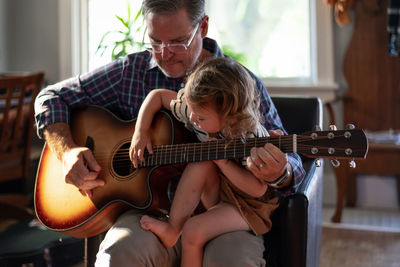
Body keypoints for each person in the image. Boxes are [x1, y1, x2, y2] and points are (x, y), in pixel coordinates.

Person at [34, 0, 305, 266]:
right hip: (150, 214)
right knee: (116, 256)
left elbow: (288, 159)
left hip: (227, 212)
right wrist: (66, 151)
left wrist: (279, 172)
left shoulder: (239, 86)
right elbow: (52, 96)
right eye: (154, 41)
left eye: (177, 42)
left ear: (203, 27)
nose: (164, 53)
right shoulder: (131, 73)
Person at [130, 57, 281, 267]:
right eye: (191, 110)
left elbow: (258, 190)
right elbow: (157, 96)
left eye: (200, 118)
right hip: (219, 192)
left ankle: (182, 231)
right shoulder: (197, 110)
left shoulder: (253, 136)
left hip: (250, 206)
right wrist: (141, 131)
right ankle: (173, 229)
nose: (192, 119)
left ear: (232, 118)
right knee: (201, 159)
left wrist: (224, 163)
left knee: (192, 230)